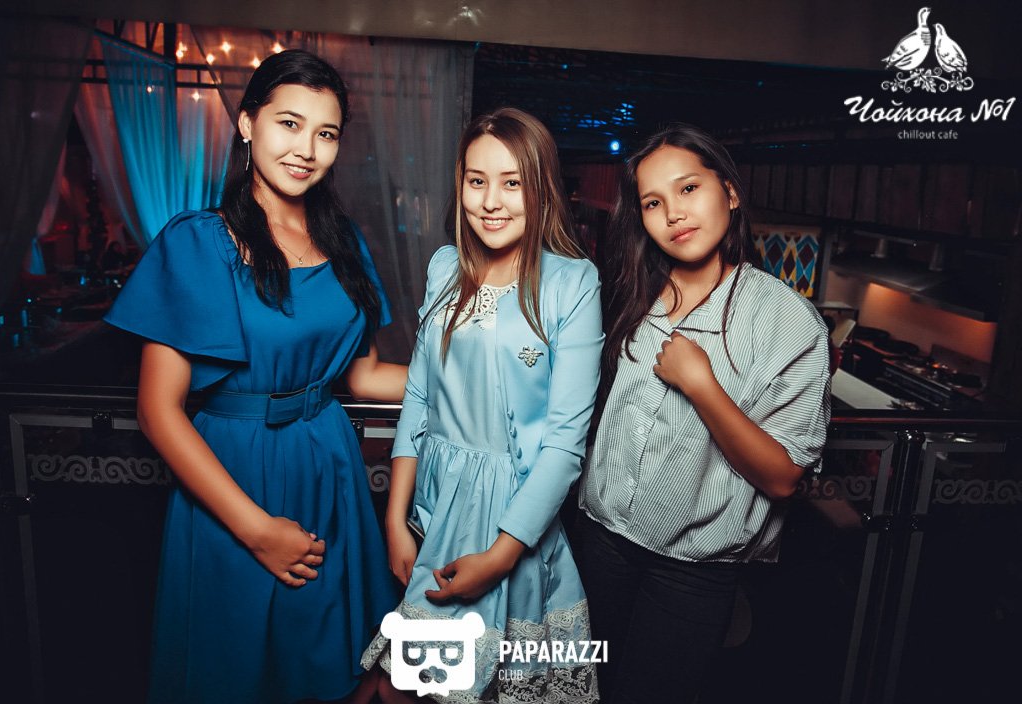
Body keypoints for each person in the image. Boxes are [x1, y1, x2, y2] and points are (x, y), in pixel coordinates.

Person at [104, 50, 403, 704]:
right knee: (237, 668)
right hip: (234, 480)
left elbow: (367, 376)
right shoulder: (197, 242)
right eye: (289, 124)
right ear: (247, 123)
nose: (307, 149)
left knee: (341, 667)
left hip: (332, 469)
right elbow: (157, 410)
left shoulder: (344, 240)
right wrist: (256, 530)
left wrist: (482, 380)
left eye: (326, 133)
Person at [577, 123, 831, 704]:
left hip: (691, 572)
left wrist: (701, 385)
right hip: (599, 544)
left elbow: (784, 477)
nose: (674, 213)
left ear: (730, 192)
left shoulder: (786, 320)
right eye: (653, 202)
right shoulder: (629, 295)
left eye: (688, 188)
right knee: (580, 689)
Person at [360, 108, 603, 704]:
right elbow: (420, 398)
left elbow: (565, 444)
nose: (491, 201)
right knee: (404, 686)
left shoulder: (572, 282)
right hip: (433, 508)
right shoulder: (445, 266)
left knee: (492, 686)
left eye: (511, 182)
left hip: (512, 517)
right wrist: (394, 520)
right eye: (476, 180)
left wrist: (499, 557)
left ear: (540, 188)